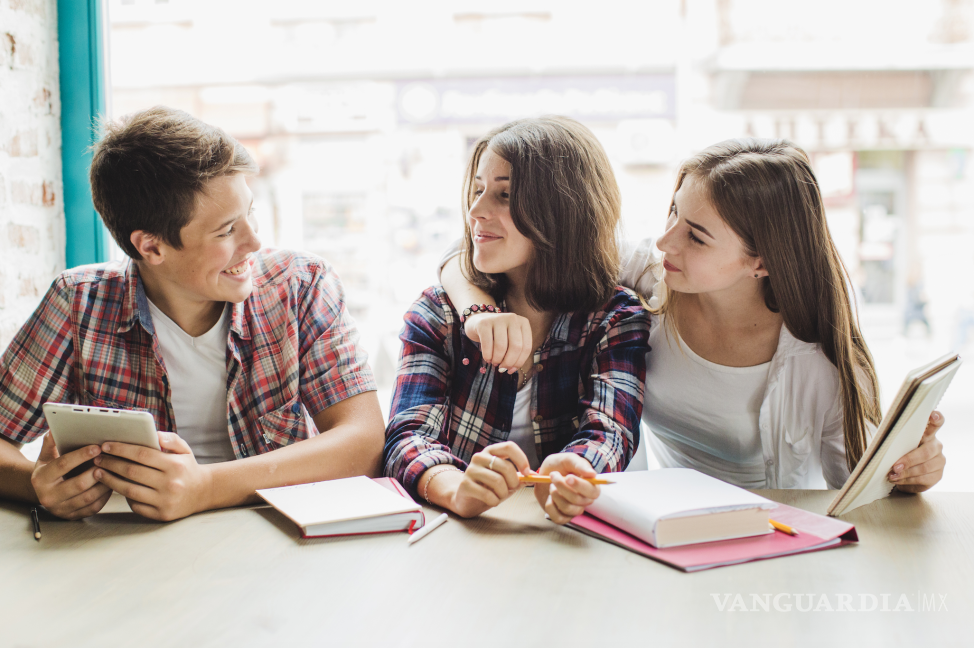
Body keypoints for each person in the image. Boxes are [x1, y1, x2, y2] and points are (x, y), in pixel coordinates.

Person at [441, 138, 947, 492]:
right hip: (665, 528)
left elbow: (859, 495)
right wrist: (478, 311)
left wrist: (910, 473)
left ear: (762, 262)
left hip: (771, 539)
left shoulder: (821, 366)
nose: (666, 240)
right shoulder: (649, 275)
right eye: (673, 213)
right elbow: (461, 258)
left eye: (696, 235)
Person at [0, 107, 385, 521]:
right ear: (151, 248)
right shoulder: (78, 303)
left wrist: (205, 487)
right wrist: (37, 484)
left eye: (249, 213)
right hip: (130, 546)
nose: (254, 241)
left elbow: (363, 442)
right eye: (226, 231)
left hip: (275, 535)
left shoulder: (301, 285)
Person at [384, 116, 650, 523]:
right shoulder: (438, 314)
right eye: (477, 190)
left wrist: (575, 475)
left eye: (504, 195)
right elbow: (407, 437)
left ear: (562, 211)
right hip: (460, 534)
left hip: (569, 534)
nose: (475, 211)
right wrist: (455, 489)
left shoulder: (614, 317)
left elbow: (611, 432)